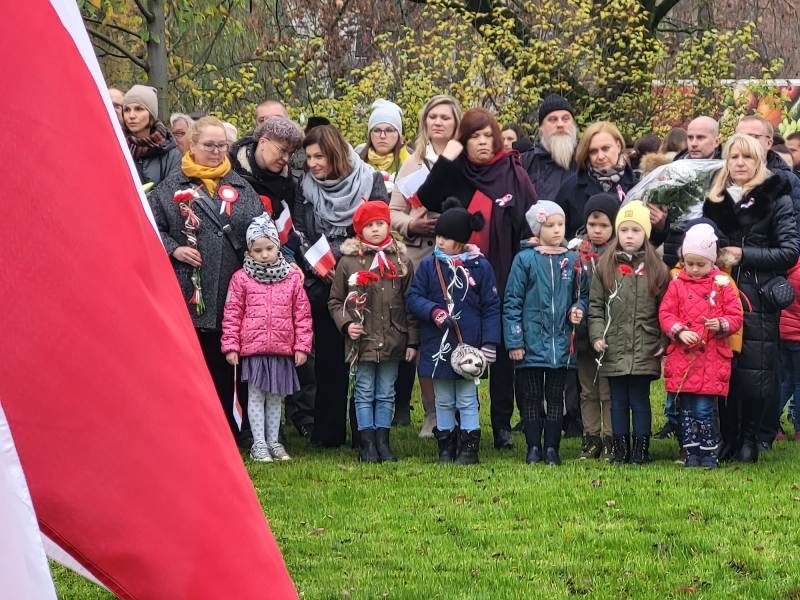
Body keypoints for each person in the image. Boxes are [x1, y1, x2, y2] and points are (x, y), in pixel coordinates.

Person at [415, 107, 536, 450]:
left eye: (488, 136)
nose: (483, 143)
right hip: (458, 279)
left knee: (498, 349)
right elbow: (426, 197)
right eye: (474, 137)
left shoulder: (512, 171)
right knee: (458, 343)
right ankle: (458, 425)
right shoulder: (458, 172)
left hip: (502, 270)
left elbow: (530, 218)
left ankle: (501, 425)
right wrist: (449, 154)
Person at [149, 116, 264, 442]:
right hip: (189, 291)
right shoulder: (169, 189)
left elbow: (261, 228)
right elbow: (149, 229)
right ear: (191, 145)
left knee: (229, 362)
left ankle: (233, 430)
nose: (216, 151)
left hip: (232, 289)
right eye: (208, 145)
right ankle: (194, 432)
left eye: (221, 145)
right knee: (193, 365)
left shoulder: (242, 187)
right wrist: (174, 249)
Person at [703, 133, 800, 462]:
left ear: (759, 161)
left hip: (757, 296)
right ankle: (725, 436)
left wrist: (742, 254)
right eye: (734, 157)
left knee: (755, 373)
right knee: (720, 367)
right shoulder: (714, 199)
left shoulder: (777, 198)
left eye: (747, 157)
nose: (740, 163)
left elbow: (788, 252)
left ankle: (750, 438)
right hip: (718, 293)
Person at [296, 124, 388, 448]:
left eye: (319, 156)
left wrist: (354, 265)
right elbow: (300, 232)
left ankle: (363, 432)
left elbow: (380, 226)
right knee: (330, 362)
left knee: (362, 357)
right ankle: (328, 432)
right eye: (308, 157)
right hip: (323, 283)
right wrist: (322, 270)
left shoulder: (370, 180)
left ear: (335, 153)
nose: (312, 164)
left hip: (364, 280)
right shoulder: (305, 186)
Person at [229, 115, 315, 438]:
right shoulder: (234, 174)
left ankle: (282, 427)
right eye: (281, 150)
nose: (285, 159)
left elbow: (291, 229)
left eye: (291, 154)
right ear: (262, 142)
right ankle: (244, 427)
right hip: (239, 271)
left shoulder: (288, 183)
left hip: (279, 273)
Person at [390, 94, 462, 436]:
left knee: (461, 330)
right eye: (432, 117)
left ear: (456, 123)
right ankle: (433, 415)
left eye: (445, 117)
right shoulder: (412, 165)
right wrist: (411, 225)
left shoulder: (465, 163)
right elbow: (392, 212)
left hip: (459, 259)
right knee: (429, 335)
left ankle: (462, 411)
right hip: (421, 258)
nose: (438, 123)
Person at [407, 201, 501, 464]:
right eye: (438, 236)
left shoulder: (480, 267)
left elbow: (491, 306)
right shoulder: (428, 267)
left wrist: (490, 342)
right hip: (438, 345)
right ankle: (446, 446)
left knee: (468, 398)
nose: (439, 242)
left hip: (468, 346)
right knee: (444, 399)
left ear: (461, 240)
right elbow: (414, 297)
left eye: (446, 237)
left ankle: (469, 448)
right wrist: (433, 311)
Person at [328, 201, 418, 462]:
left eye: (380, 224)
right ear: (359, 230)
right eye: (369, 226)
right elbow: (335, 301)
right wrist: (346, 324)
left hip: (393, 337)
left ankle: (383, 441)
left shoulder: (401, 260)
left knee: (386, 391)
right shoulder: (348, 262)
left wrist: (412, 340)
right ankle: (366, 442)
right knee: (364, 390)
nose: (376, 230)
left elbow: (409, 302)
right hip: (363, 340)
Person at [221, 214, 313, 462]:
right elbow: (232, 313)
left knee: (276, 397)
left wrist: (302, 346)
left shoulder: (292, 277)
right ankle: (258, 443)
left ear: (277, 246)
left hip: (282, 348)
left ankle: (274, 441)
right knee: (255, 395)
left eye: (269, 248)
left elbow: (302, 314)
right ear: (249, 251)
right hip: (254, 349)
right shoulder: (241, 279)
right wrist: (231, 345)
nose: (264, 254)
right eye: (257, 250)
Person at [504, 201, 586, 466]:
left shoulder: (572, 260)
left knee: (555, 397)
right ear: (538, 228)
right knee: (531, 396)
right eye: (550, 225)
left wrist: (578, 309)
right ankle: (533, 447)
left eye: (560, 224)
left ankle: (552, 447)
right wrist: (515, 340)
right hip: (531, 342)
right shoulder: (525, 260)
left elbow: (581, 294)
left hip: (560, 344)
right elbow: (512, 301)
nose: (556, 230)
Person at [589, 200, 669, 464]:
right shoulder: (605, 265)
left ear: (645, 233)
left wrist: (662, 339)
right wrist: (598, 335)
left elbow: (665, 308)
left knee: (640, 399)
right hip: (614, 343)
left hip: (645, 343)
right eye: (624, 230)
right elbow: (596, 306)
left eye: (636, 230)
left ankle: (641, 449)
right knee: (618, 401)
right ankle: (620, 449)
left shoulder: (657, 268)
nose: (629, 236)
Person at [658, 224, 743, 468]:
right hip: (684, 357)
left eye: (700, 264)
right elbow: (666, 313)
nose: (694, 269)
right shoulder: (677, 283)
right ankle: (690, 451)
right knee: (686, 408)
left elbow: (736, 316)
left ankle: (709, 451)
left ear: (712, 260)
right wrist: (679, 331)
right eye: (690, 263)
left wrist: (721, 324)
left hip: (711, 357)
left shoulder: (722, 283)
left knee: (704, 408)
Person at [570, 193, 619, 459]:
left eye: (603, 225)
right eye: (592, 225)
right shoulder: (577, 255)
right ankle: (591, 438)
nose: (597, 231)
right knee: (588, 389)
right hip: (583, 333)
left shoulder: (619, 255)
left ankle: (611, 437)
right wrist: (574, 309)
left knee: (607, 390)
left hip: (610, 331)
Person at [556, 121, 654, 240]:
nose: (600, 156)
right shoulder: (571, 187)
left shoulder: (638, 187)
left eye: (605, 148)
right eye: (593, 151)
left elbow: (651, 238)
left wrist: (661, 224)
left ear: (618, 146)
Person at [520, 94, 578, 200]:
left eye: (565, 119)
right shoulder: (525, 163)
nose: (560, 124)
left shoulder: (586, 160)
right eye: (553, 119)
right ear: (541, 128)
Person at [123, 85, 181, 187]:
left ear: (151, 114)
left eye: (139, 109)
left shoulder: (171, 153)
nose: (131, 115)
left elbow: (173, 190)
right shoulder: (117, 147)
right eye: (127, 110)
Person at [356, 99, 409, 195]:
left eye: (389, 130)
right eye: (377, 130)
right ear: (370, 134)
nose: (382, 136)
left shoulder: (411, 161)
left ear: (399, 134)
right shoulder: (356, 160)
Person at [779, 258, 800, 441]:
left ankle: (769, 422)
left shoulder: (790, 270)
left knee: (787, 381)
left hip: (785, 333)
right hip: (797, 335)